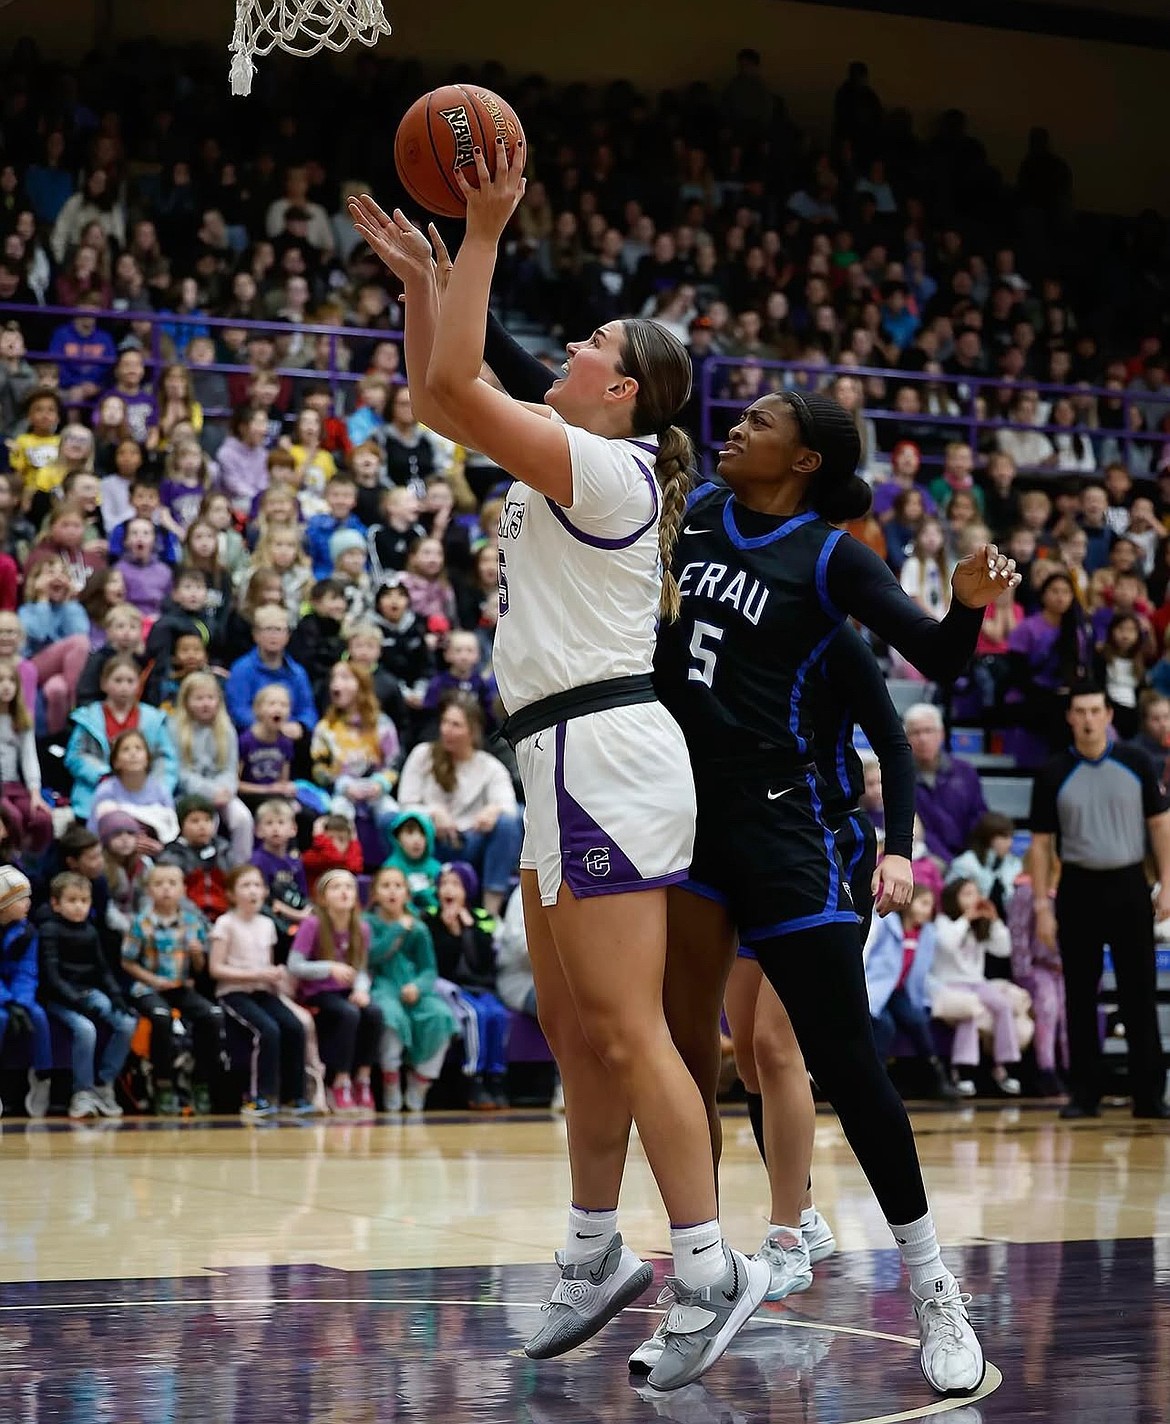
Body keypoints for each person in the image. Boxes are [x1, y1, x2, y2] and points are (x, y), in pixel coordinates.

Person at [350, 165, 762, 1391]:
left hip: (604, 749)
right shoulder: (574, 452)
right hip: (558, 754)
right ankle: (595, 1254)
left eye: (588, 342)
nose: (570, 348)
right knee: (577, 1031)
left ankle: (708, 1268)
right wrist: (430, 282)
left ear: (622, 386)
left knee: (633, 1033)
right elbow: (440, 394)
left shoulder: (611, 469)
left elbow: (454, 385)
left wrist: (477, 238)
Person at [1028, 684, 1170, 1120]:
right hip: (1078, 889)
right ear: (1070, 717)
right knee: (1079, 994)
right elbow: (1040, 845)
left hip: (1128, 884)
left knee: (1138, 992)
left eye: (1095, 710)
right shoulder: (1052, 772)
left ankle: (1149, 1095)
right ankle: (1084, 1093)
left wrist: (1167, 882)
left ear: (1109, 714)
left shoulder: (1138, 763)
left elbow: (1161, 825)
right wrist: (1040, 906)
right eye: (1080, 711)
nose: (1088, 719)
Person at [396, 694, 521, 919]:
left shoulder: (489, 766)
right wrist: (432, 813)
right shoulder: (423, 755)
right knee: (392, 821)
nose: (446, 730)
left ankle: (490, 912)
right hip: (432, 840)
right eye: (444, 722)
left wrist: (493, 810)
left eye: (455, 725)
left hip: (471, 840)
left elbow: (509, 807)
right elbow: (406, 804)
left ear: (472, 732)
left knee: (508, 823)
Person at [122, 862, 223, 1116]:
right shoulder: (140, 922)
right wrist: (153, 981)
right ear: (149, 890)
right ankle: (163, 1084)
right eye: (159, 884)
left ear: (183, 889)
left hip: (179, 985)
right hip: (147, 986)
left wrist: (198, 955)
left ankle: (200, 1081)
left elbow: (199, 969)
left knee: (211, 1016)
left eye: (172, 883)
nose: (166, 889)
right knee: (161, 1018)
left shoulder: (192, 921)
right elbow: (127, 961)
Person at [210, 864, 310, 1120]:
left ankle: (293, 1095)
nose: (252, 891)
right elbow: (216, 969)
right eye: (245, 885)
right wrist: (257, 974)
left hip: (263, 990)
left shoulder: (267, 924)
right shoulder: (225, 924)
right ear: (231, 894)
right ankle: (258, 1096)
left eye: (257, 885)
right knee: (267, 1030)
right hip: (234, 992)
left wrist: (276, 976)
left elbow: (267, 964)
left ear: (265, 892)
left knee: (295, 1026)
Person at [37, 870, 138, 1121]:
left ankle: (104, 1083)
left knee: (127, 1023)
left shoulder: (91, 931)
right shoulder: (49, 930)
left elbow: (102, 970)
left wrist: (116, 995)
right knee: (86, 1030)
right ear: (56, 904)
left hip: (89, 993)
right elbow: (51, 976)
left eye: (84, 901)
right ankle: (81, 1092)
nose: (79, 907)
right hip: (59, 999)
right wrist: (76, 1000)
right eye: (72, 901)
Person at [288, 869, 383, 1115]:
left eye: (349, 888)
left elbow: (362, 969)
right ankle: (338, 1081)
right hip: (316, 992)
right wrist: (329, 968)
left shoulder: (361, 928)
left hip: (346, 991)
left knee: (373, 1012)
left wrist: (362, 990)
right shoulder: (313, 924)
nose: (344, 892)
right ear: (322, 897)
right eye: (336, 888)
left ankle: (363, 1079)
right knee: (348, 1014)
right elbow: (295, 965)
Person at [365, 865, 456, 1112]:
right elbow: (370, 957)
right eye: (385, 886)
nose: (392, 892)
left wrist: (417, 986)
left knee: (442, 1016)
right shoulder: (367, 924)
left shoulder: (418, 927)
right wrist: (396, 930)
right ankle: (391, 1079)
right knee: (390, 1017)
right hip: (382, 986)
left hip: (414, 989)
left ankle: (421, 1080)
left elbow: (429, 969)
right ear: (374, 893)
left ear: (407, 893)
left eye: (398, 886)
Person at [931, 880, 1027, 1097]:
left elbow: (1004, 949)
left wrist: (995, 921)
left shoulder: (979, 927)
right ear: (953, 898)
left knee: (1003, 1004)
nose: (973, 899)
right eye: (966, 894)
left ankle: (1003, 1065)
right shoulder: (944, 922)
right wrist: (965, 919)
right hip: (950, 984)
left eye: (975, 894)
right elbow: (947, 944)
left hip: (977, 983)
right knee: (970, 1011)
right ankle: (964, 1072)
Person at [864, 883, 956, 1099]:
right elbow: (865, 956)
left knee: (918, 1021)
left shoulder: (927, 934)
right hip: (875, 988)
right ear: (908, 902)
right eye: (923, 903)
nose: (927, 910)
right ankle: (877, 1085)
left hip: (899, 991)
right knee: (885, 1025)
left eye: (931, 906)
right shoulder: (885, 924)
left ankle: (937, 1079)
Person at [0, 867, 54, 1119]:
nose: (28, 903)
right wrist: (7, 1001)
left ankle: (42, 1076)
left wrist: (20, 1002)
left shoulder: (27, 931)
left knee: (38, 1016)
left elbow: (27, 970)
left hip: (17, 993)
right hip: (2, 995)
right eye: (21, 898)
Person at [904, 703, 988, 864]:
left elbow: (978, 815)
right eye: (915, 733)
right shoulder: (901, 776)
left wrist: (970, 857)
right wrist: (949, 861)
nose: (923, 738)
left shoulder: (966, 771)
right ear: (906, 737)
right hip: (924, 855)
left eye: (928, 731)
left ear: (941, 734)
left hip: (968, 855)